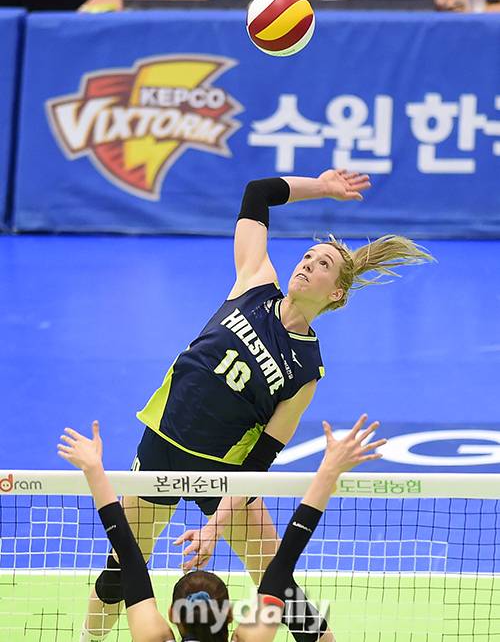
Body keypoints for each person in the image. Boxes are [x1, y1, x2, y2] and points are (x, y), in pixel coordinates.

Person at [79, 169, 434, 641]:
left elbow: (260, 459)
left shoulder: (305, 372)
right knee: (121, 571)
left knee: (276, 581)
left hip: (227, 472)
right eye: (307, 256)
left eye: (322, 265)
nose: (307, 263)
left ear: (335, 293)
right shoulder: (256, 282)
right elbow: (257, 193)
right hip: (163, 444)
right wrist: (323, 188)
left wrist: (215, 526)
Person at [58, 415, 387, 642]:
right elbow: (284, 560)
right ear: (229, 615)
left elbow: (128, 554)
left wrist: (93, 470)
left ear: (173, 614)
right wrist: (329, 471)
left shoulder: (151, 636)